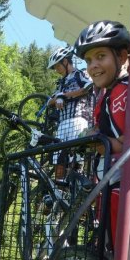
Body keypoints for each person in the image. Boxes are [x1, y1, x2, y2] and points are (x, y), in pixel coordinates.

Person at [74, 19, 130, 249]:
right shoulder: (108, 93)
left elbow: (128, 143)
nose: (93, 65)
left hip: (121, 187)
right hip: (110, 184)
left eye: (100, 56)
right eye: (88, 60)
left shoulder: (122, 92)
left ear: (123, 57)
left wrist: (99, 142)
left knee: (118, 257)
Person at [47, 45, 93, 179]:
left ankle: (76, 186)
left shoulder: (79, 74)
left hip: (78, 118)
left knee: (76, 156)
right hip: (62, 122)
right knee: (58, 158)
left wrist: (65, 96)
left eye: (57, 66)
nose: (56, 70)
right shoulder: (61, 82)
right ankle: (59, 189)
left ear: (65, 61)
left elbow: (88, 86)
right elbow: (49, 101)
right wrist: (59, 96)